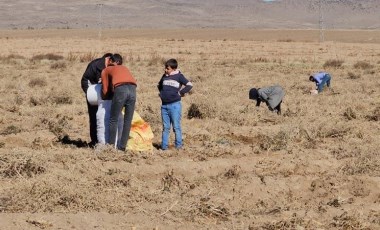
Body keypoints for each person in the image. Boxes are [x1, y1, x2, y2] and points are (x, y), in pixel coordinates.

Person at [101, 54, 137, 151]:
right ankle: (122, 147)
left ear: (110, 61)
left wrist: (104, 97)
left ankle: (111, 147)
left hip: (121, 90)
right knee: (127, 121)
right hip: (133, 89)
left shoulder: (106, 70)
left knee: (113, 119)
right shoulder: (124, 68)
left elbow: (104, 91)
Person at [157, 58, 193, 150]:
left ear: (173, 68)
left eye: (167, 68)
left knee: (176, 127)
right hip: (164, 106)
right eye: (165, 68)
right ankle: (164, 147)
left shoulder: (179, 76)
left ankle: (178, 147)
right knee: (166, 128)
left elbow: (189, 85)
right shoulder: (164, 76)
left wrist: (180, 93)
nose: (165, 70)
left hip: (175, 106)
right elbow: (159, 85)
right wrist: (161, 93)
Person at [81, 53, 113, 147]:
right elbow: (84, 80)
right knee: (94, 117)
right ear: (108, 60)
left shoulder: (113, 66)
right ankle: (95, 141)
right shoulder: (94, 65)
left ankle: (108, 139)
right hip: (93, 95)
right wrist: (89, 92)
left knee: (108, 116)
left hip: (107, 95)